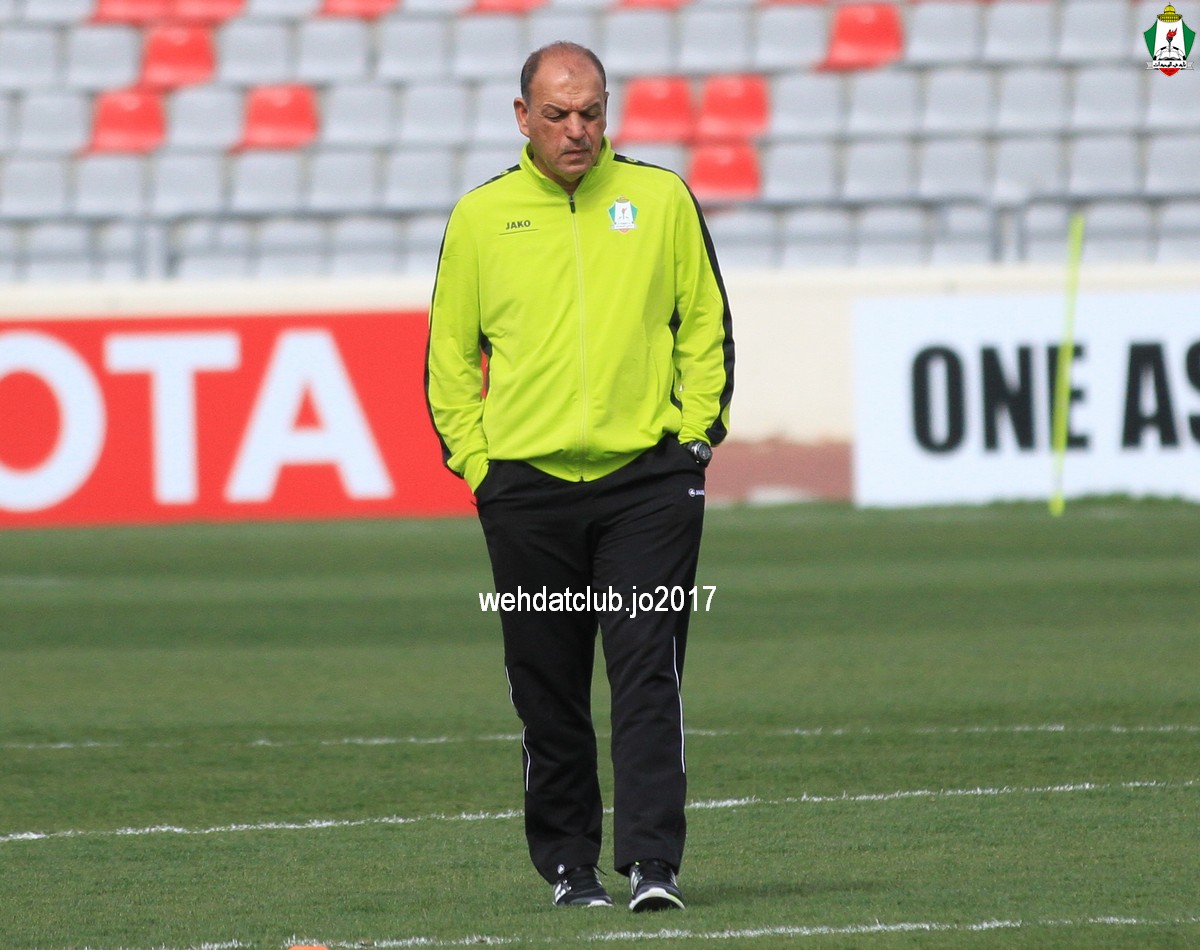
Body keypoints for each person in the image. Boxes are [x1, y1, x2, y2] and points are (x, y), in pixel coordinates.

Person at [425, 41, 733, 912]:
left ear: (608, 112)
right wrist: (482, 468)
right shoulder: (480, 218)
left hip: (648, 487)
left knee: (647, 674)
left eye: (591, 112)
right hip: (527, 494)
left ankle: (653, 865)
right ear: (522, 117)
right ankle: (570, 868)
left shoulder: (661, 199)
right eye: (557, 114)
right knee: (548, 687)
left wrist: (694, 439)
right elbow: (450, 357)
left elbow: (704, 323)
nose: (577, 130)